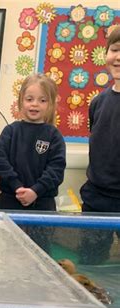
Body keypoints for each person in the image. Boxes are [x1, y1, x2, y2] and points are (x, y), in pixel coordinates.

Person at [0, 73, 66, 253]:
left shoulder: (54, 136)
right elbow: (1, 162)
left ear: (50, 105)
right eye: (30, 99)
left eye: (42, 100)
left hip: (42, 204)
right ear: (21, 101)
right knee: (7, 249)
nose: (35, 104)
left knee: (40, 251)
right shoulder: (10, 132)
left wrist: (36, 191)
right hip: (10, 200)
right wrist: (17, 187)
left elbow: (56, 170)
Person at [78, 27, 120, 264]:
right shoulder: (98, 102)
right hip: (97, 199)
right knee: (90, 262)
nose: (118, 57)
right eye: (114, 50)